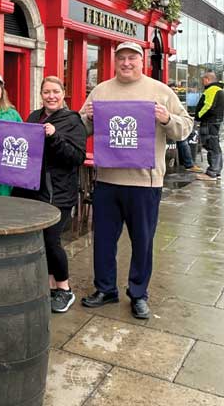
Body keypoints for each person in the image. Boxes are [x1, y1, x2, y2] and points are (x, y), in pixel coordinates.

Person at [79, 41, 193, 319]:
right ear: (115, 61)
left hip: (145, 182)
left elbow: (185, 127)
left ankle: (138, 293)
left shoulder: (161, 91)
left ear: (141, 61)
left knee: (142, 241)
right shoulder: (101, 90)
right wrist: (87, 117)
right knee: (104, 239)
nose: (126, 63)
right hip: (107, 179)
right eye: (122, 58)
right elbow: (81, 126)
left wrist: (167, 119)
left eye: (132, 58)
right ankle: (105, 289)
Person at [15, 76, 86, 313]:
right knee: (39, 240)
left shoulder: (73, 120)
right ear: (41, 94)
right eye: (46, 92)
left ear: (63, 93)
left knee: (52, 240)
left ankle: (64, 289)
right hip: (33, 191)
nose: (51, 96)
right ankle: (48, 287)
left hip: (59, 193)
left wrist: (55, 137)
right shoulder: (34, 117)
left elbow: (76, 157)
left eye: (55, 91)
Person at [194, 71, 224, 180]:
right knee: (214, 145)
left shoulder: (212, 90)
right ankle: (216, 171)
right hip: (214, 121)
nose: (202, 82)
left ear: (207, 79)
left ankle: (212, 173)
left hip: (209, 122)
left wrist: (198, 116)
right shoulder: (219, 89)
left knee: (211, 145)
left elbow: (208, 106)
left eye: (203, 80)